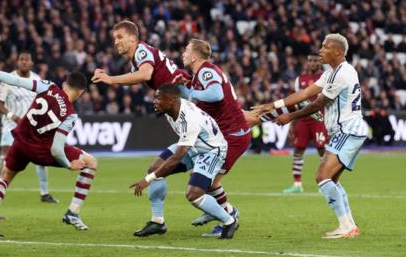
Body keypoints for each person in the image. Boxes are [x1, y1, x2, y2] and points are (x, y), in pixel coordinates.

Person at [254, 34, 365, 239]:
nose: (321, 50)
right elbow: (305, 93)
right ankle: (350, 225)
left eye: (325, 47)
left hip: (347, 130)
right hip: (350, 130)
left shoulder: (342, 74)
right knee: (332, 179)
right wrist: (275, 105)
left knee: (322, 178)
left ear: (338, 52)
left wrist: (290, 116)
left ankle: (345, 226)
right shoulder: (335, 72)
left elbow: (316, 104)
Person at [0, 66, 97, 233]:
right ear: (81, 93)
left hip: (20, 143)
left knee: (5, 176)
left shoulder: (48, 86)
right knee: (91, 163)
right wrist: (69, 165)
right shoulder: (70, 114)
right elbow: (56, 149)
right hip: (42, 151)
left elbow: (15, 80)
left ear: (64, 84)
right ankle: (73, 212)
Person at [130, 84, 239, 239]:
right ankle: (158, 222)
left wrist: (147, 180)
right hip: (192, 145)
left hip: (211, 150)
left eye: (159, 98)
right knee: (155, 168)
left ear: (173, 100)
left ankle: (229, 221)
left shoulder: (189, 119)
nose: (154, 101)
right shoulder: (170, 108)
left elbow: (176, 159)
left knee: (194, 195)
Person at [0, 52, 58, 203]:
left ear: (31, 62)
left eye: (26, 59)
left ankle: (44, 193)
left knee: (41, 158)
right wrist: (12, 116)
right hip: (11, 126)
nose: (24, 62)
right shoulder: (8, 79)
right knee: (5, 157)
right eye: (21, 60)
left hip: (32, 127)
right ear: (17, 62)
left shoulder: (37, 80)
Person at [91, 20, 189, 90]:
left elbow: (145, 74)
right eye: (115, 39)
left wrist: (111, 79)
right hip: (178, 91)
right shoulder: (137, 57)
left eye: (120, 37)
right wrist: (108, 78)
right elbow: (134, 78)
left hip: (186, 89)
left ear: (133, 38)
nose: (116, 42)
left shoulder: (141, 50)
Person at [282, 51, 328, 193]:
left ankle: (324, 183)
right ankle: (297, 185)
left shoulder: (325, 78)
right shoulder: (299, 79)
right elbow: (295, 101)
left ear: (320, 62)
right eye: (310, 60)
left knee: (322, 150)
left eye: (315, 60)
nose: (312, 63)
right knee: (298, 150)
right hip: (302, 119)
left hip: (319, 119)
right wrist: (291, 124)